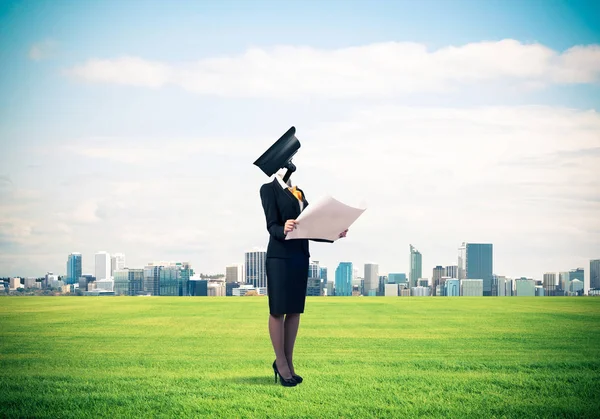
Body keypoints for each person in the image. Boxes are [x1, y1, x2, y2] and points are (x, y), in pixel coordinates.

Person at [260, 168, 348, 387]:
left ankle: (289, 363)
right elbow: (271, 225)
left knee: (295, 311)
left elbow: (311, 226)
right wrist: (284, 228)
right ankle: (280, 363)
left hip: (300, 256)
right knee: (278, 310)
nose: (289, 166)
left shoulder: (299, 192)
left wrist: (334, 234)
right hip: (279, 257)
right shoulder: (268, 189)